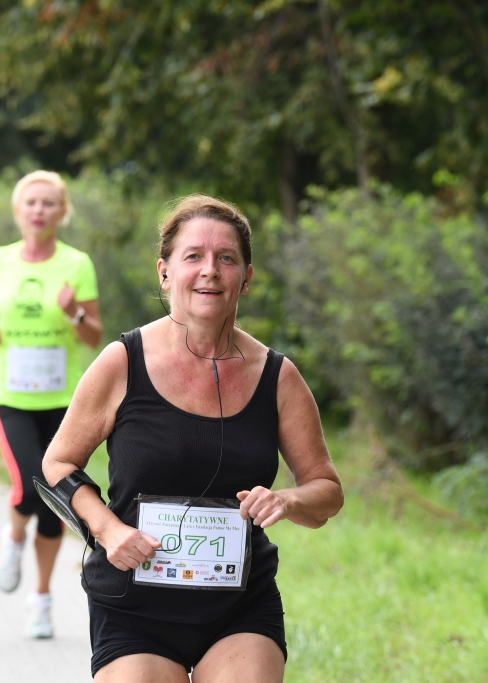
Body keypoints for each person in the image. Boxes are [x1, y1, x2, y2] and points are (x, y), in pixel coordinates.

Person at [43, 194, 344, 681]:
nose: (210, 271)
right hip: (134, 605)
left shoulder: (277, 377)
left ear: (246, 277)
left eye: (226, 258)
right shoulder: (123, 362)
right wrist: (108, 530)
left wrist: (287, 500)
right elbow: (57, 465)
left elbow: (326, 491)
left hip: (237, 607)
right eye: (194, 256)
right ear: (165, 272)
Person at [0, 170, 102, 638]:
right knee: (30, 486)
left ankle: (41, 599)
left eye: (48, 203)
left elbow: (93, 336)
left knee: (54, 503)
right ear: (18, 211)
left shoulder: (77, 264)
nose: (39, 210)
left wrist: (73, 312)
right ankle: (13, 537)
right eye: (31, 202)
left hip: (65, 401)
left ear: (62, 212)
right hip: (11, 396)